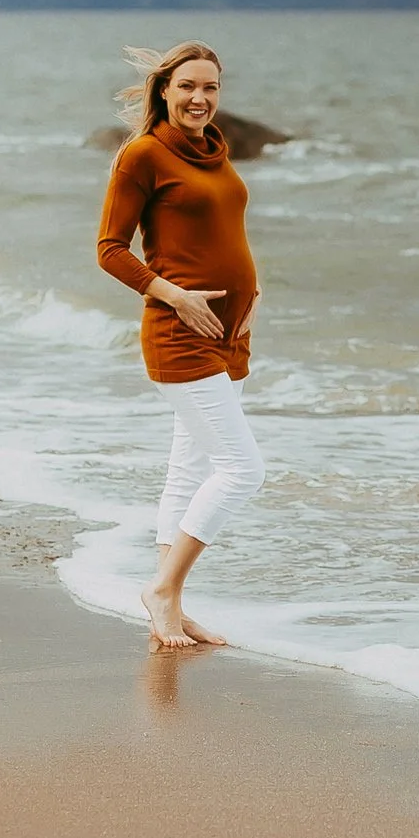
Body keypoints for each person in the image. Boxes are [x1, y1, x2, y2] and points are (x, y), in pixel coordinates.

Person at [97, 40, 264, 650]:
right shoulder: (141, 155)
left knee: (189, 468)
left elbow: (220, 229)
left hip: (232, 335)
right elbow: (110, 250)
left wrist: (255, 287)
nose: (200, 98)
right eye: (188, 86)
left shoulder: (215, 152)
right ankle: (163, 589)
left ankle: (170, 604)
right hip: (181, 334)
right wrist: (175, 294)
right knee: (243, 469)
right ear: (164, 90)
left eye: (211, 88)